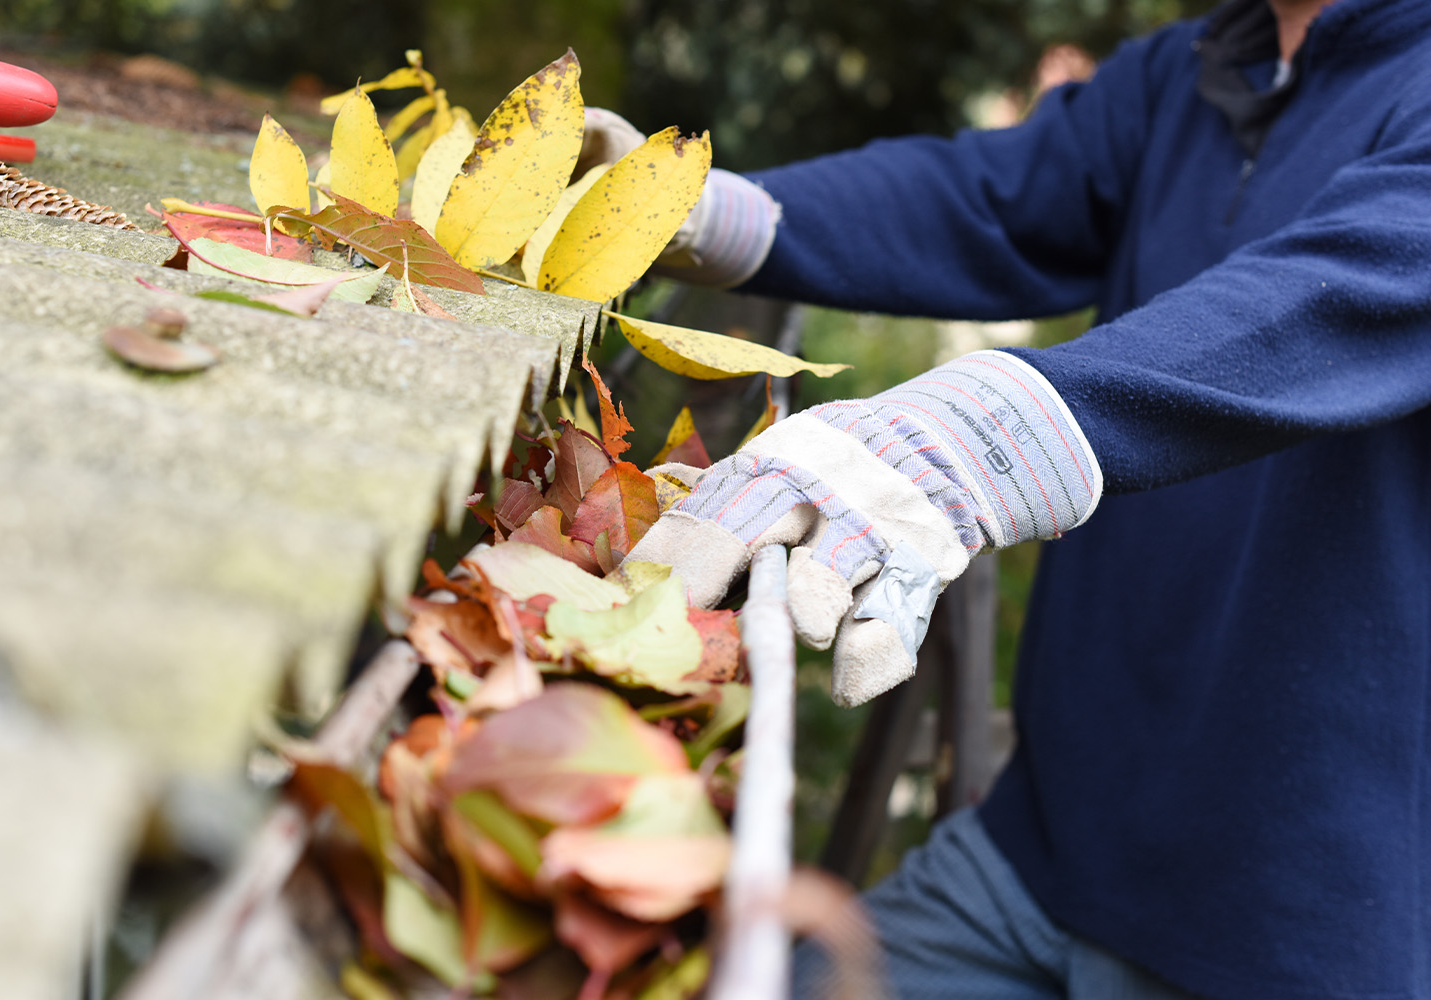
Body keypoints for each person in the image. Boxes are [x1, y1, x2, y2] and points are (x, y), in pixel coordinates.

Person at [608, 0, 1431, 996]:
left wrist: (975, 436)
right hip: (1037, 856)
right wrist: (697, 210)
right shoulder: (1199, 67)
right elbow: (989, 197)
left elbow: (1342, 291)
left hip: (1301, 932)